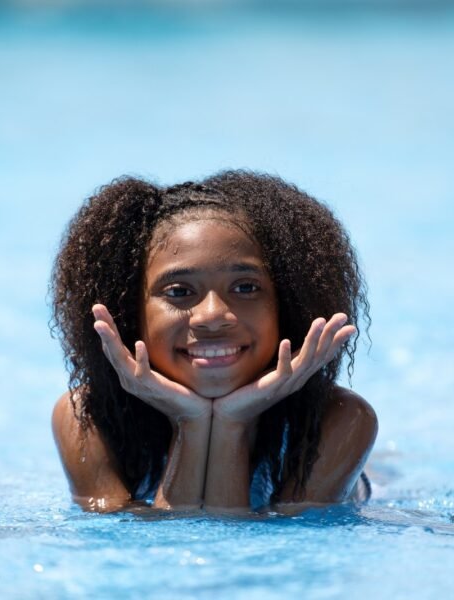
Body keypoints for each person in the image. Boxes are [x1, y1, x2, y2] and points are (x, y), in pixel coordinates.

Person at [50, 171, 377, 513]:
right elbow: (167, 552)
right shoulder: (85, 418)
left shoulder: (340, 420)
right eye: (179, 292)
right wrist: (189, 422)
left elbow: (241, 553)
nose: (213, 315)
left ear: (288, 304)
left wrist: (233, 423)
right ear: (130, 313)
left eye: (246, 287)